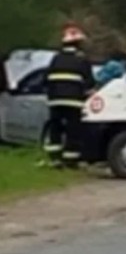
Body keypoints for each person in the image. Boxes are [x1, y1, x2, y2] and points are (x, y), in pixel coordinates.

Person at [44, 24, 97, 168]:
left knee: (55, 128)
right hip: (74, 102)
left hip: (55, 101)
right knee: (73, 130)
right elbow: (90, 83)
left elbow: (46, 79)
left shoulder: (56, 59)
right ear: (78, 44)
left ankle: (55, 159)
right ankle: (71, 160)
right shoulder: (82, 60)